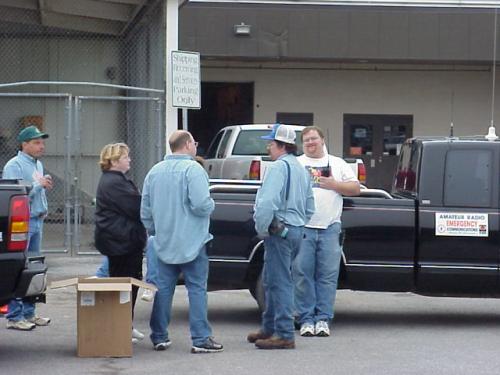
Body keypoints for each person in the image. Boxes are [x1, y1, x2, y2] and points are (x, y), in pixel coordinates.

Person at [141, 130, 223, 354]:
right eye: (194, 142)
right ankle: (200, 338)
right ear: (187, 144)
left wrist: (156, 231)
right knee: (196, 289)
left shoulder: (154, 172)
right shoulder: (193, 170)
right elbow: (200, 204)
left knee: (163, 289)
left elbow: (145, 211)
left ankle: (159, 336)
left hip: (164, 242)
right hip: (193, 242)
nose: (195, 146)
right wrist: (211, 206)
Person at [247, 124, 315, 350]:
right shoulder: (300, 169)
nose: (268, 146)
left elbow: (267, 203)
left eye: (271, 142)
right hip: (296, 231)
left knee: (279, 284)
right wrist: (296, 224)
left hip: (279, 232)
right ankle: (269, 328)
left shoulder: (278, 168)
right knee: (270, 280)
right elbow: (310, 206)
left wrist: (262, 227)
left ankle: (285, 334)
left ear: (281, 145)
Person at [294, 126, 360, 337]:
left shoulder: (338, 163)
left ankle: (323, 319)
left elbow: (356, 189)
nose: (310, 143)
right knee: (303, 275)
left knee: (328, 277)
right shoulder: (297, 164)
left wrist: (334, 184)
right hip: (303, 227)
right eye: (306, 141)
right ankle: (305, 319)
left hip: (330, 228)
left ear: (323, 140)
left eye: (314, 139)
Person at [94, 143, 147, 343]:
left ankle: (126, 323)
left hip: (123, 240)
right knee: (123, 284)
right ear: (115, 161)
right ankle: (120, 326)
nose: (129, 160)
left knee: (130, 282)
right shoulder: (114, 182)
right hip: (120, 241)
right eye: (126, 157)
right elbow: (136, 207)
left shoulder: (116, 180)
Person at [3, 125, 52, 331]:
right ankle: (14, 316)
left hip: (37, 220)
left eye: (42, 142)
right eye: (36, 142)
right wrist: (38, 185)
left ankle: (30, 313)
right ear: (24, 145)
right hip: (23, 224)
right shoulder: (14, 165)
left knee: (33, 268)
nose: (41, 146)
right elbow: (14, 196)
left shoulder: (37, 164)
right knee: (19, 268)